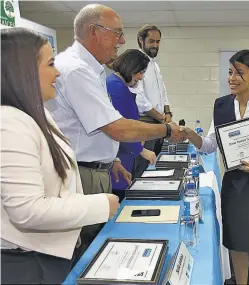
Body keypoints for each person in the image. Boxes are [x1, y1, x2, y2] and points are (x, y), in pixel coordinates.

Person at [45, 4, 184, 256]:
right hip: (80, 173)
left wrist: (111, 159)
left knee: (95, 243)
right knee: (84, 251)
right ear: (94, 31)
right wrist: (165, 129)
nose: (121, 40)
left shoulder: (92, 70)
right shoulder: (77, 70)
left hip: (94, 169)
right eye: (116, 33)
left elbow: (95, 126)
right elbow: (116, 127)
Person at [1, 28, 120, 284]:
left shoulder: (37, 115)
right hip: (27, 263)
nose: (58, 73)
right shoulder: (9, 123)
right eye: (51, 64)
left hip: (45, 254)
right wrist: (100, 205)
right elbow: (27, 210)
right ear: (24, 71)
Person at [182, 50, 249, 285]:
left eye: (239, 73)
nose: (232, 78)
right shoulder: (221, 106)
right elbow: (209, 145)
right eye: (230, 72)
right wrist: (190, 135)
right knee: (237, 240)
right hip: (234, 184)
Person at [107, 49, 157, 201]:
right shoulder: (115, 87)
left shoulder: (118, 85)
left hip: (124, 156)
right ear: (130, 67)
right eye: (140, 72)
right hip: (119, 157)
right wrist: (141, 150)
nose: (141, 77)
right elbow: (121, 128)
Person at [132, 24, 173, 178]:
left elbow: (163, 92)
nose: (155, 45)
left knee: (156, 167)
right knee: (142, 170)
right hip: (146, 122)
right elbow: (140, 99)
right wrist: (162, 118)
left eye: (158, 41)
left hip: (159, 123)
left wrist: (168, 112)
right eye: (151, 41)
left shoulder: (154, 65)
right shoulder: (137, 64)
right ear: (141, 41)